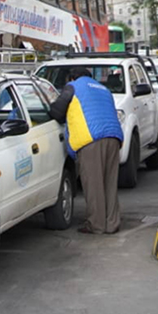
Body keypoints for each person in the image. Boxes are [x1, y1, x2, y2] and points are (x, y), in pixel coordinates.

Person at [49, 66, 124, 234]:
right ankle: (112, 223)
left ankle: (96, 224)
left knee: (93, 183)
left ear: (73, 77)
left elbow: (56, 111)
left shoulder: (73, 87)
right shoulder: (103, 89)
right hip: (114, 137)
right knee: (109, 183)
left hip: (91, 139)